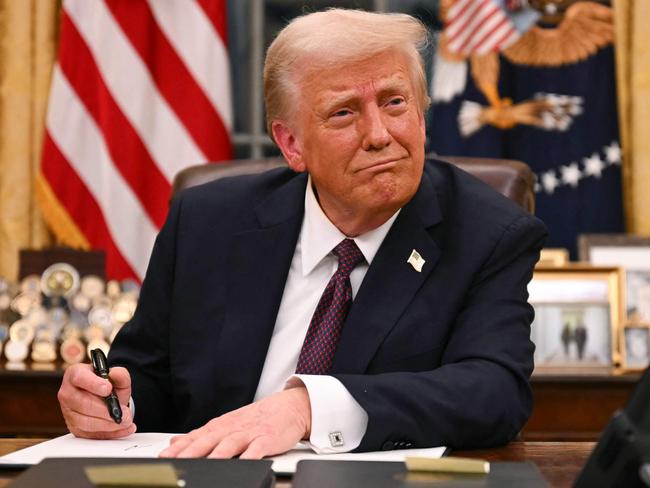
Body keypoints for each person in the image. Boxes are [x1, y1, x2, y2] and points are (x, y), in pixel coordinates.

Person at [57, 8, 547, 459]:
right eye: (344, 113)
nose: (379, 134)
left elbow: (495, 392)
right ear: (291, 144)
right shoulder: (208, 222)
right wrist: (110, 403)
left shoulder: (488, 234)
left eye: (395, 102)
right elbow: (145, 376)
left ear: (421, 116)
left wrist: (308, 407)